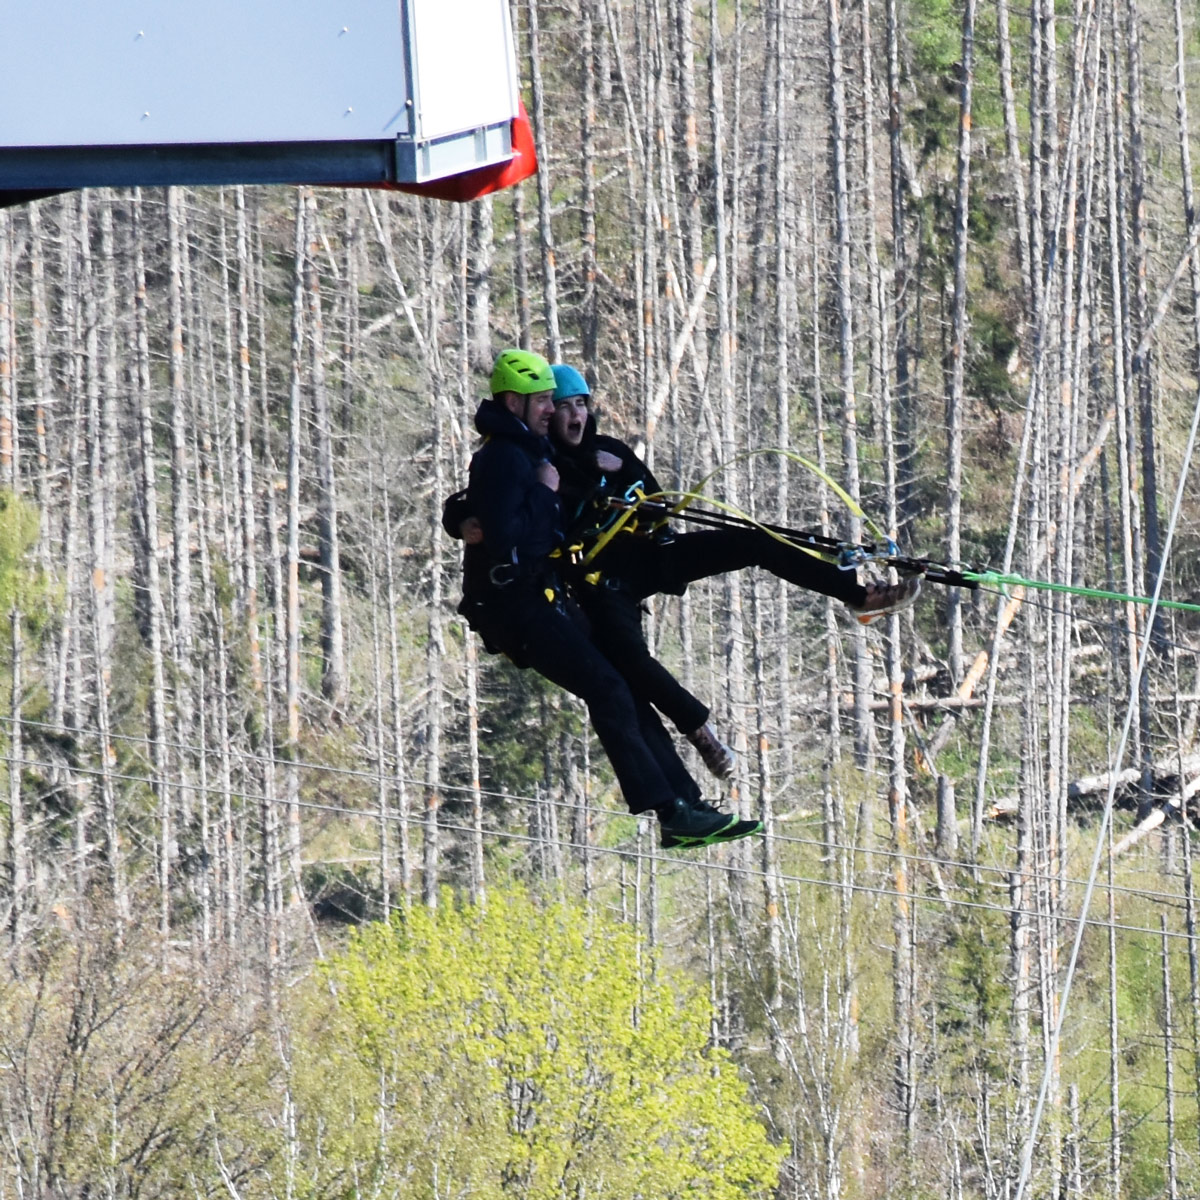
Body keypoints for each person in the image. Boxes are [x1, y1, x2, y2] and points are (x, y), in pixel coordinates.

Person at [453, 348, 761, 850]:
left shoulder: (528, 448)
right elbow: (512, 540)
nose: (553, 409)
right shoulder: (505, 457)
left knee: (626, 690)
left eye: (556, 400)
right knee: (609, 690)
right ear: (514, 402)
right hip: (517, 608)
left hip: (543, 596)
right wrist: (546, 495)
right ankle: (670, 810)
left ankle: (687, 807)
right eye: (543, 400)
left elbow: (473, 510)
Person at [544, 362, 921, 756]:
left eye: (581, 405)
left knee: (753, 543)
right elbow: (556, 522)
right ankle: (701, 734)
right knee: (631, 661)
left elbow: (661, 502)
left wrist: (625, 468)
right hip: (600, 581)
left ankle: (857, 594)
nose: (576, 416)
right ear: (551, 416)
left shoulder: (612, 451)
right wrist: (590, 480)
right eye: (565, 407)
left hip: (651, 556)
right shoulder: (547, 468)